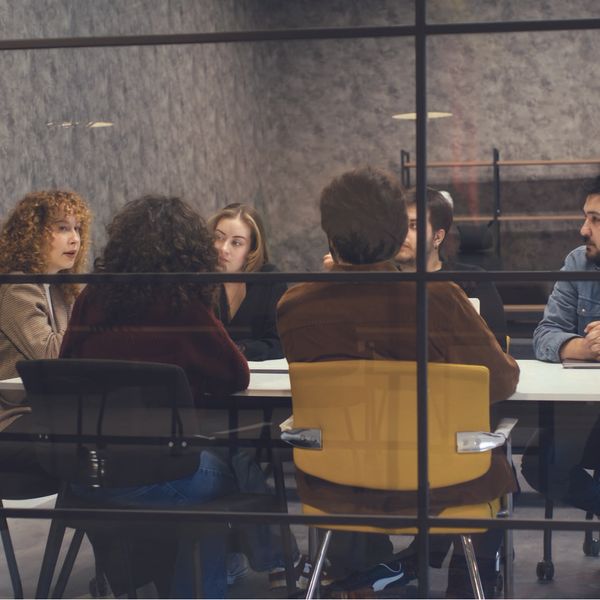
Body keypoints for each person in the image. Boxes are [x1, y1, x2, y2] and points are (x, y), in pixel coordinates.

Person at [278, 166, 519, 597]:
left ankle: (376, 573)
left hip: (336, 486)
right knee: (494, 462)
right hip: (439, 486)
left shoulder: (294, 305)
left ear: (328, 234)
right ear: (395, 234)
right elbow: (499, 383)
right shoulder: (438, 297)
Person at [60, 196, 250, 598]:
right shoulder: (182, 307)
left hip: (83, 473)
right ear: (190, 251)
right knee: (233, 476)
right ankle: (250, 568)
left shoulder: (90, 299)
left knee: (202, 471)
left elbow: (66, 369)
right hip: (154, 473)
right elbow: (234, 375)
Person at [323, 187, 507, 349]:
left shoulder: (471, 281)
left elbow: (496, 345)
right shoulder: (379, 279)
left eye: (413, 226)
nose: (401, 234)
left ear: (437, 237)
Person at [0, 189, 91, 487]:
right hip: (12, 419)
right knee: (100, 445)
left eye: (77, 228)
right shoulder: (16, 288)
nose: (74, 238)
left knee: (118, 434)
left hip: (50, 413)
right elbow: (54, 356)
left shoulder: (63, 291)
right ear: (32, 233)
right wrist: (93, 315)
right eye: (62, 228)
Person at [524, 176, 600, 515]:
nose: (584, 229)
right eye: (586, 216)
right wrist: (586, 348)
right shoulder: (578, 262)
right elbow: (544, 335)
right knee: (541, 466)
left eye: (596, 220)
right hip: (585, 409)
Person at [209, 203, 286, 360]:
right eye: (219, 237)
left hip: (260, 378)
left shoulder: (270, 280)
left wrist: (241, 349)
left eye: (236, 243)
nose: (223, 248)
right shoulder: (200, 277)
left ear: (252, 249)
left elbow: (279, 344)